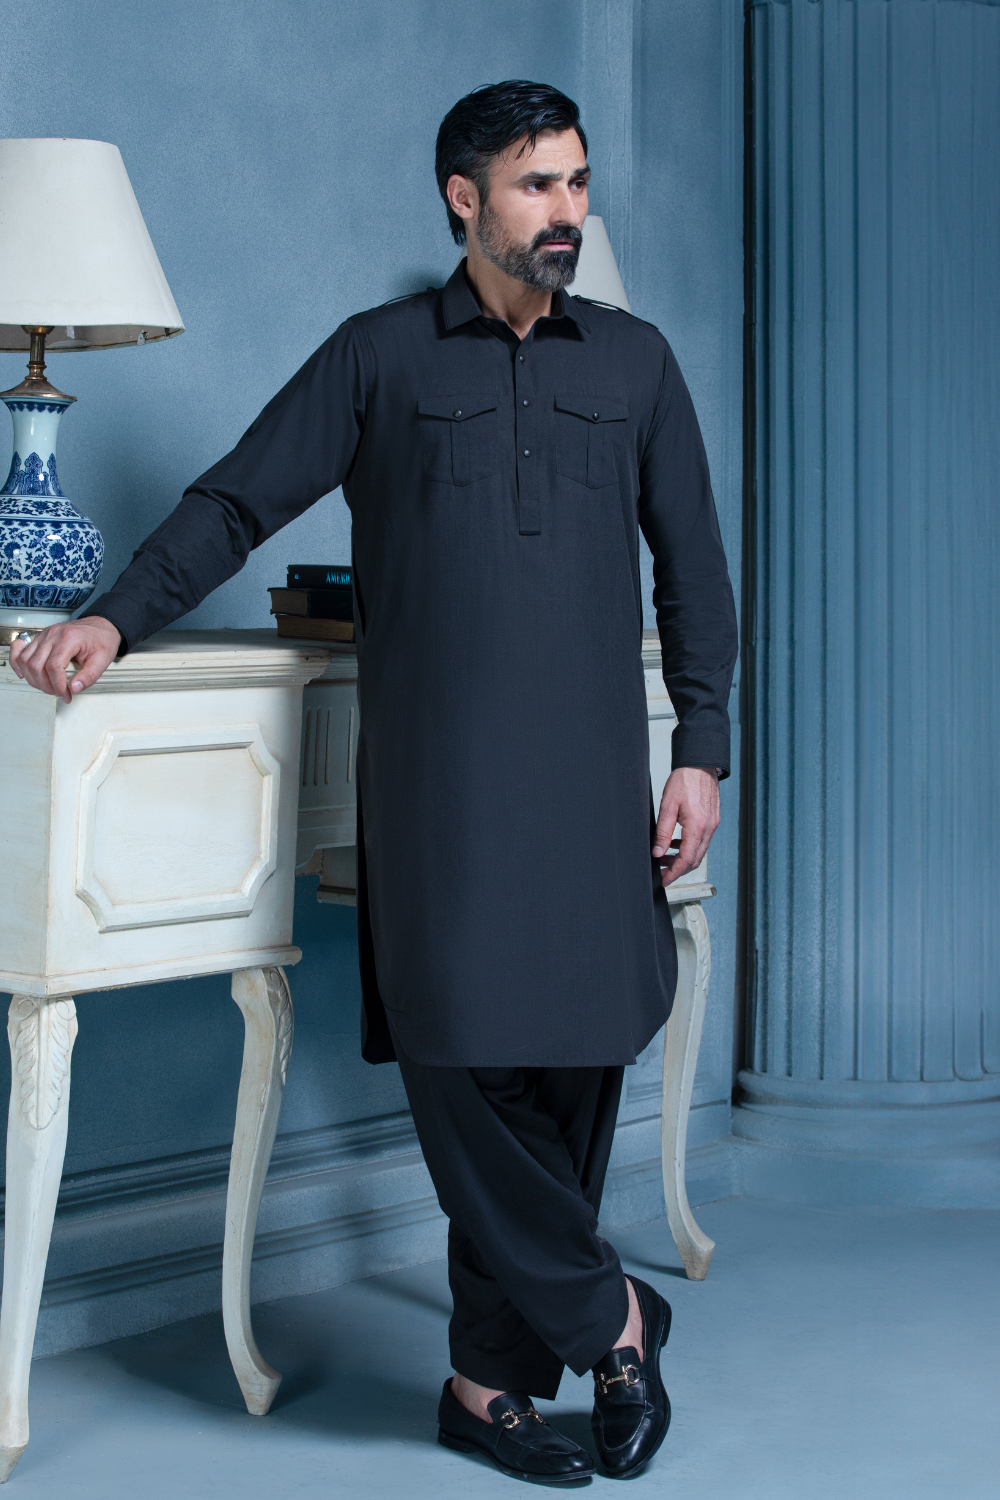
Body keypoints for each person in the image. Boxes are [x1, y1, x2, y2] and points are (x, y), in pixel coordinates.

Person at [11, 80, 737, 1483]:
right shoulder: (379, 357)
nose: (566, 211)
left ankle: (484, 1386)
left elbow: (696, 575)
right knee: (460, 1056)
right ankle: (615, 1324)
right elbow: (237, 499)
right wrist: (114, 616)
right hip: (442, 795)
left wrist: (700, 747)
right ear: (464, 198)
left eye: (577, 183)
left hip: (593, 789)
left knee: (574, 1069)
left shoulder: (636, 365)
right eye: (536, 185)